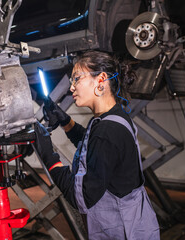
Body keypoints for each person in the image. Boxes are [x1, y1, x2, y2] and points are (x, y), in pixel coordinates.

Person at [34, 50, 160, 239]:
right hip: (136, 224)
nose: (71, 88)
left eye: (76, 79)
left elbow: (81, 198)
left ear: (101, 79)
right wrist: (65, 121)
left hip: (123, 232)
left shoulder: (107, 131)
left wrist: (47, 155)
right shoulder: (115, 116)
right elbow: (94, 149)